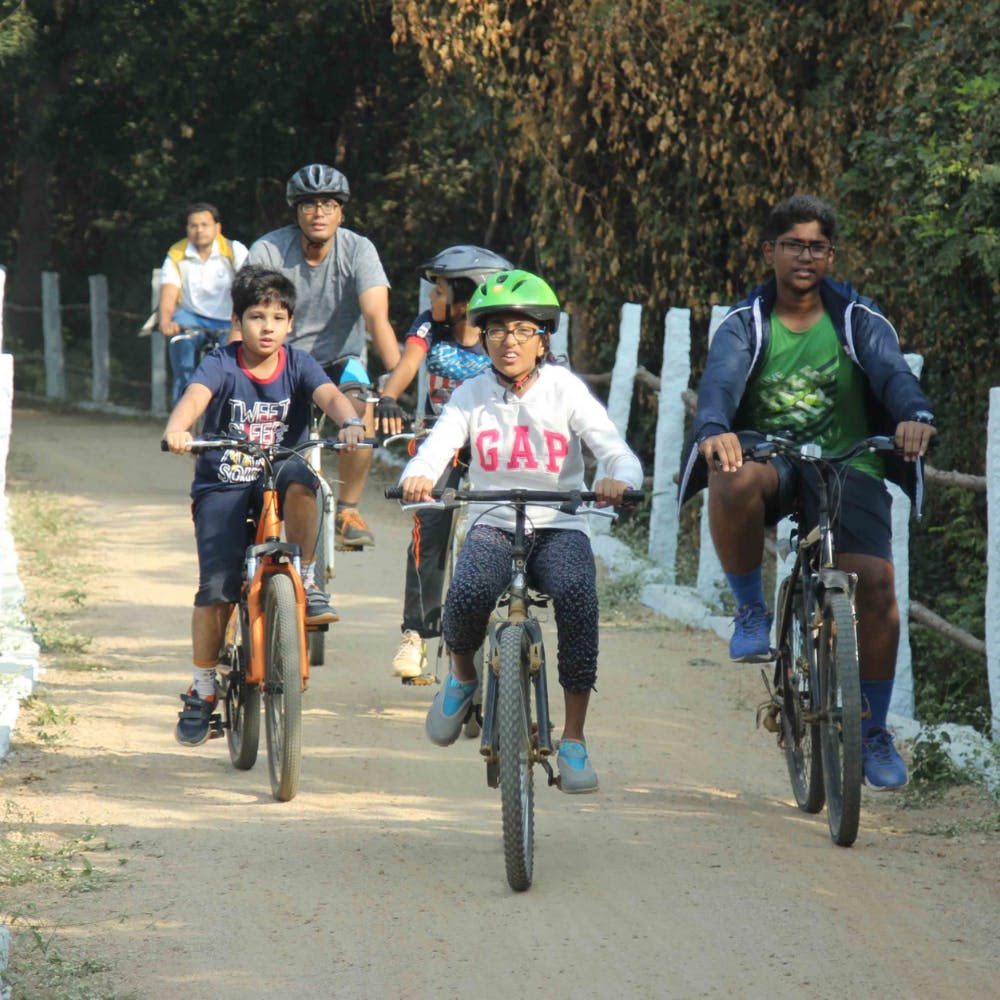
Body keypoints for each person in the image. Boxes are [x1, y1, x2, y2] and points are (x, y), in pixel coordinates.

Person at [678, 194, 937, 790]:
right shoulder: (744, 323)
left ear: (831, 255)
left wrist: (914, 414)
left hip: (850, 465)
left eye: (817, 246)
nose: (805, 255)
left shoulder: (857, 320)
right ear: (769, 251)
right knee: (732, 474)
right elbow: (718, 383)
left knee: (874, 583)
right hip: (772, 459)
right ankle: (749, 609)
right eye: (793, 244)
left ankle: (872, 729)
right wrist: (716, 430)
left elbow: (894, 373)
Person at [398, 269, 643, 793]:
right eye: (496, 330)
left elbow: (615, 449)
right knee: (466, 594)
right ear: (481, 337)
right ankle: (463, 676)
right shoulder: (470, 395)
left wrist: (616, 478)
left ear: (543, 338)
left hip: (559, 524)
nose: (509, 341)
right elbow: (436, 447)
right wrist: (418, 476)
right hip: (492, 520)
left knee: (578, 596)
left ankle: (573, 738)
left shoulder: (565, 390)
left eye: (523, 330)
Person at [162, 265, 367, 747]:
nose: (268, 326)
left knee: (304, 480)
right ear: (239, 321)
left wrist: (351, 421)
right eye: (257, 316)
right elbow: (195, 397)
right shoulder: (222, 362)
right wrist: (178, 429)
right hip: (224, 481)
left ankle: (307, 577)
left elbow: (329, 396)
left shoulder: (298, 363)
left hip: (279, 470)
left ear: (291, 323)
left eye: (278, 316)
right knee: (215, 588)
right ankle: (204, 687)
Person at [377, 244, 514, 679]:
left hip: (495, 441)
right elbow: (408, 364)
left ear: (469, 296)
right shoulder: (429, 327)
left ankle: (513, 617)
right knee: (429, 523)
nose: (431, 299)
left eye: (439, 290)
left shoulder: (502, 332)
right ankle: (416, 634)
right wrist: (388, 398)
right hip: (440, 438)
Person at [248, 164, 401, 550]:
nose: (319, 213)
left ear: (341, 213)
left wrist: (395, 386)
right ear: (296, 212)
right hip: (280, 358)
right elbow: (247, 316)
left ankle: (348, 510)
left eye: (329, 205)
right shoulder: (268, 250)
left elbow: (376, 316)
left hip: (340, 359)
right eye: (310, 205)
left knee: (360, 407)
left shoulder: (358, 249)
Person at [158, 202, 249, 404]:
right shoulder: (176, 253)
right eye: (193, 225)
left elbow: (248, 289)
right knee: (182, 358)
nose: (199, 230)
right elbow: (169, 291)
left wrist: (240, 323)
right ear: (187, 229)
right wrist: (165, 320)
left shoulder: (234, 250)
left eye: (205, 224)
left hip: (229, 319)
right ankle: (182, 422)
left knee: (233, 367)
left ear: (218, 227)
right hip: (191, 316)